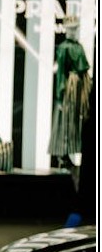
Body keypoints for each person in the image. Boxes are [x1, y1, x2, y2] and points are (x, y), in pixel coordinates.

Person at [49, 15, 91, 171]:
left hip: (80, 87)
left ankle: (71, 153)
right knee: (66, 120)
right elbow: (60, 73)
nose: (74, 31)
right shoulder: (64, 48)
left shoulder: (78, 46)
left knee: (77, 120)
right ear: (67, 30)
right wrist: (60, 96)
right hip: (70, 89)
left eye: (76, 28)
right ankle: (63, 154)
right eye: (72, 29)